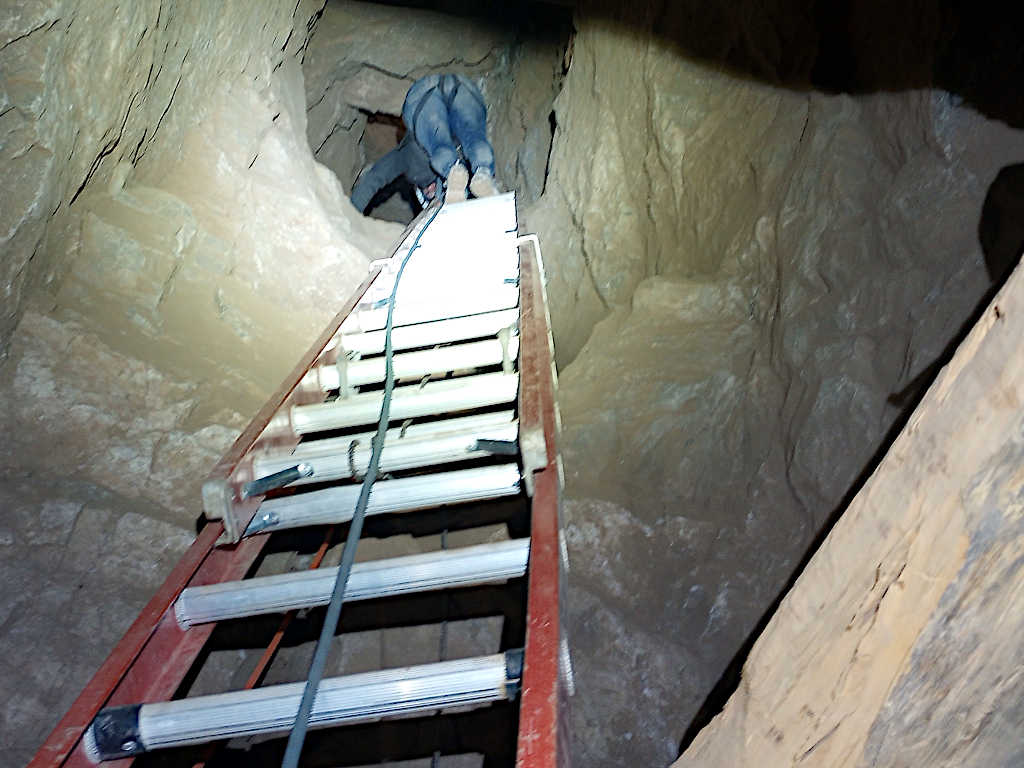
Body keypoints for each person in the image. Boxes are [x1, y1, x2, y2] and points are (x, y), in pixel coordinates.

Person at [351, 73, 500, 213]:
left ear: (419, 188)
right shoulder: (463, 165)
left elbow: (374, 178)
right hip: (464, 88)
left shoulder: (406, 157)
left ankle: (452, 170)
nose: (431, 189)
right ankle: (483, 171)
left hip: (424, 95)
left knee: (437, 140)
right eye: (432, 193)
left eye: (427, 192)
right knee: (473, 137)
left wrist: (349, 213)